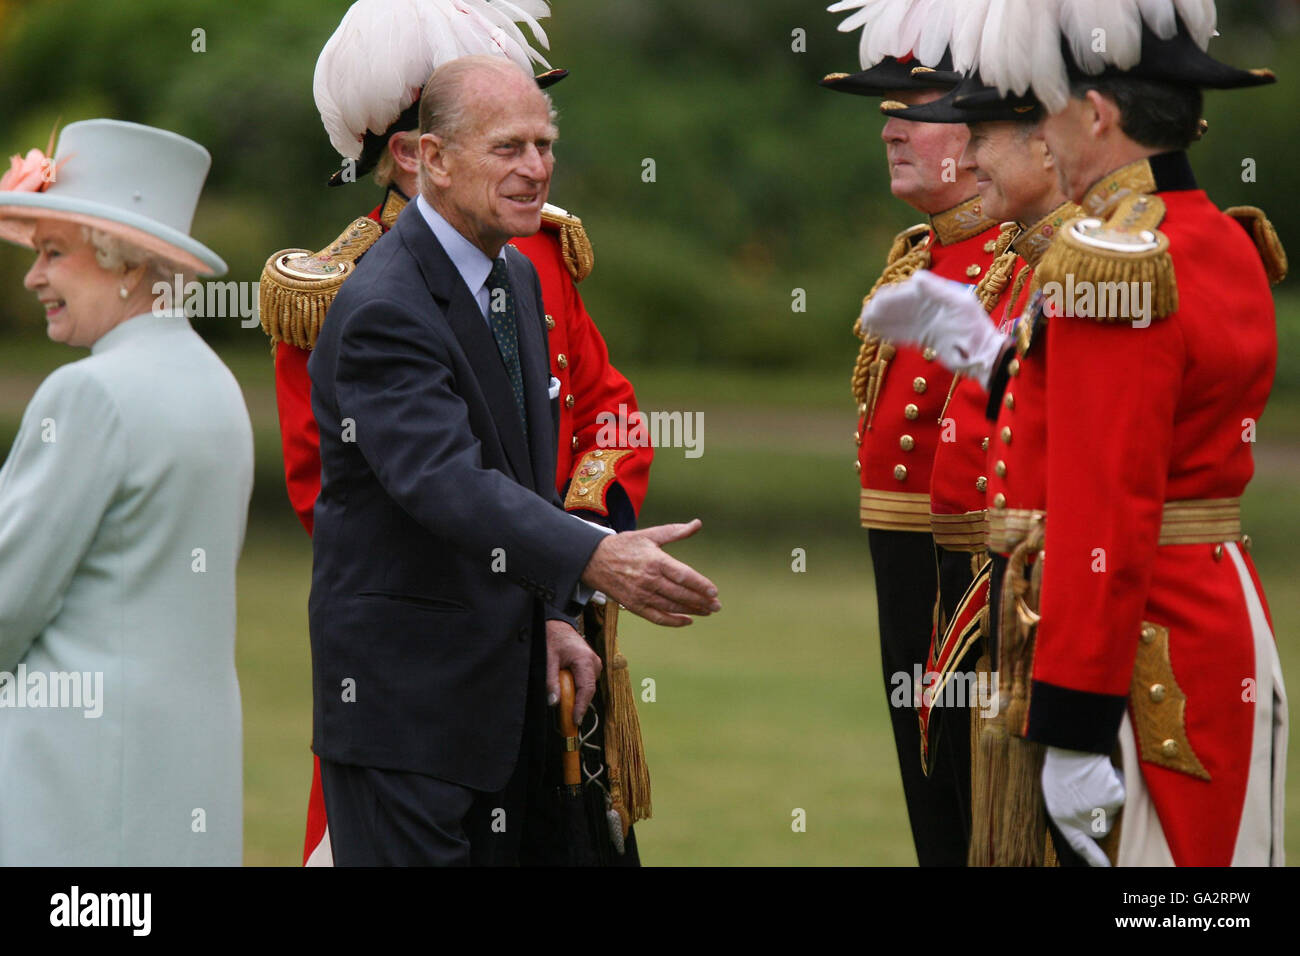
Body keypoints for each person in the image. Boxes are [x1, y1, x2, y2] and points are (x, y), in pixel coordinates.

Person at [862, 0, 1288, 866]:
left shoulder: (1115, 261)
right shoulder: (1211, 237)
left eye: (1040, 111)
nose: (1023, 139)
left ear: (1094, 114)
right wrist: (999, 359)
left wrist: (1075, 722)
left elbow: (1107, 505)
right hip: (1209, 611)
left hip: (1139, 642)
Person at [258, 0, 654, 865]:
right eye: (503, 143)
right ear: (416, 153)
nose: (535, 167)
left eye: (538, 141)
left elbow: (606, 409)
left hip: (540, 640)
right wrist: (583, 558)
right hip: (428, 678)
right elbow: (347, 499)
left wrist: (578, 554)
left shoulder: (524, 260)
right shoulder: (346, 292)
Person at [0, 119, 252, 865]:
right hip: (185, 775)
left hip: (74, 780)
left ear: (125, 263)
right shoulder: (218, 385)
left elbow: (8, 599)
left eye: (53, 253)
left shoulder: (90, 393)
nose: (32, 277)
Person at [871, 66, 1080, 865]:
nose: (890, 131)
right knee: (954, 808)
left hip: (1013, 569)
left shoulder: (1068, 257)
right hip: (961, 569)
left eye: (918, 115)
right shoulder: (957, 252)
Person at [822, 0, 1004, 866]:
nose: (892, 129)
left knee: (976, 794)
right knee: (930, 797)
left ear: (978, 132)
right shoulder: (919, 253)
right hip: (902, 558)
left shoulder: (1025, 256)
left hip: (965, 559)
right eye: (887, 114)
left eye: (916, 113)